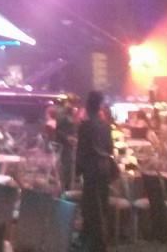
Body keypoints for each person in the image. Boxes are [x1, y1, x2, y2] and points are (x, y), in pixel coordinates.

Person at [76, 91, 114, 252]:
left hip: (91, 168)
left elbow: (81, 150)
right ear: (99, 106)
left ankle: (97, 244)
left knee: (91, 207)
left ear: (88, 105)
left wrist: (77, 171)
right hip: (105, 167)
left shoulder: (85, 125)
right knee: (101, 206)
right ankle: (91, 239)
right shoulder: (105, 125)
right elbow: (110, 148)